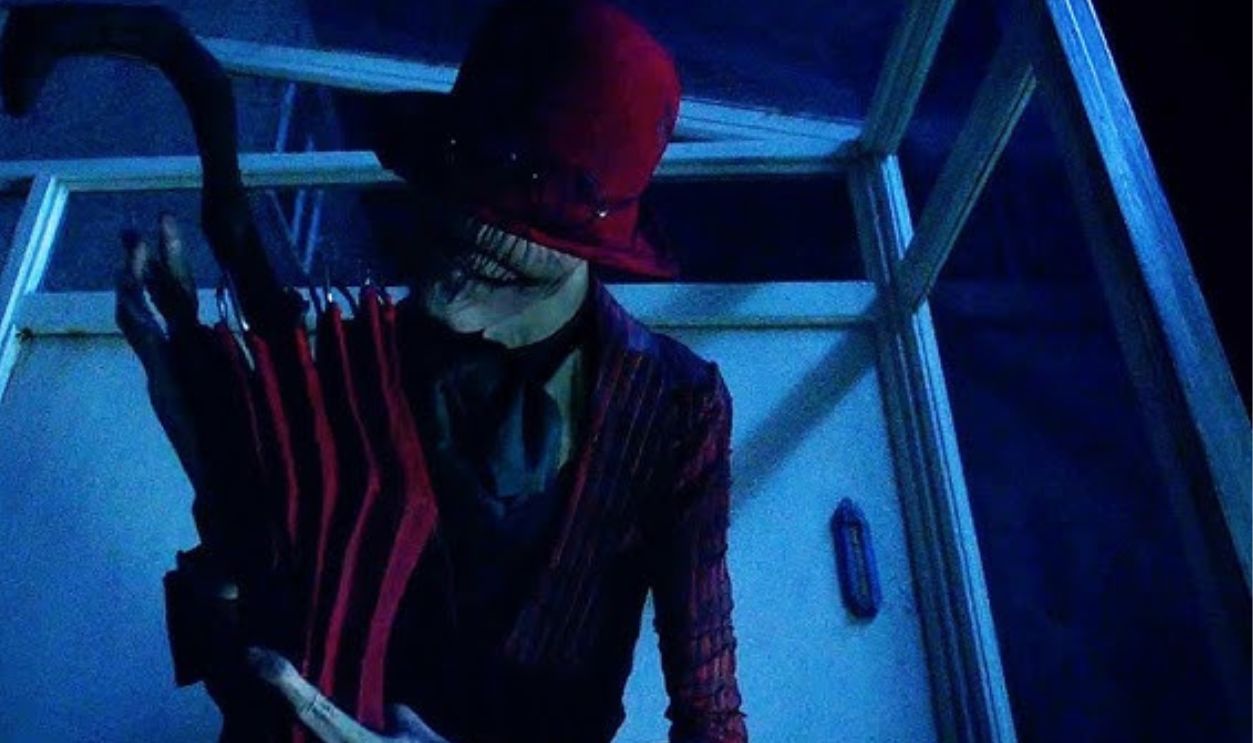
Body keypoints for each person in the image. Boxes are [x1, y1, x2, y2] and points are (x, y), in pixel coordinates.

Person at [119, 1, 747, 741]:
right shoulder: (350, 356)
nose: (469, 226)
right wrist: (194, 420)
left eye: (523, 214)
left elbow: (710, 716)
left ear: (591, 239)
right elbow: (253, 608)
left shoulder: (675, 407)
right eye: (462, 180)